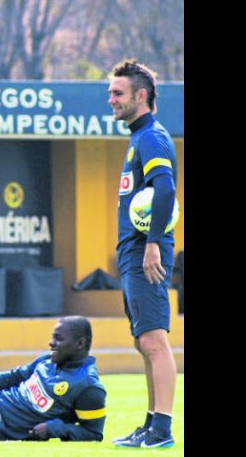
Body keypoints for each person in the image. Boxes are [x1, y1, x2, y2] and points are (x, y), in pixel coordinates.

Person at [108, 59, 178, 449]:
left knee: (154, 340)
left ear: (141, 95)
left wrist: (152, 244)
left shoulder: (152, 137)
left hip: (145, 253)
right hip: (133, 253)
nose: (111, 100)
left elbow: (165, 190)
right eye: (110, 93)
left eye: (118, 93)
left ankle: (162, 430)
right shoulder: (139, 138)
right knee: (143, 342)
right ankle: (151, 425)